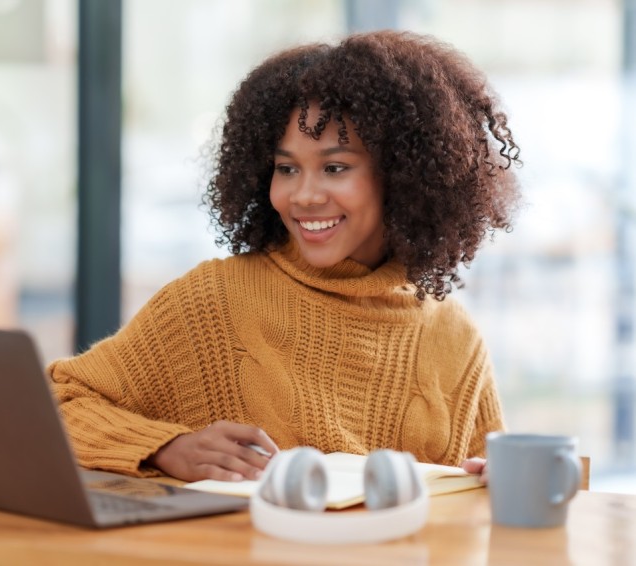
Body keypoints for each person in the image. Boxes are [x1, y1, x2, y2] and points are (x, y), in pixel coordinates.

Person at [48, 30, 520, 484]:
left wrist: (493, 480)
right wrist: (165, 447)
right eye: (287, 168)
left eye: (334, 167)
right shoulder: (214, 299)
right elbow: (58, 402)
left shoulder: (455, 339)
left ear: (402, 177)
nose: (304, 195)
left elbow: (479, 495)